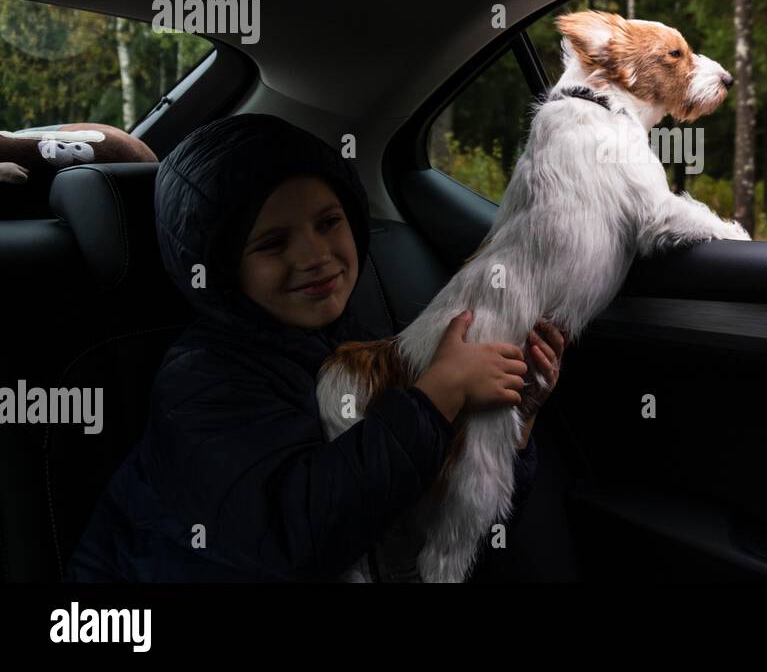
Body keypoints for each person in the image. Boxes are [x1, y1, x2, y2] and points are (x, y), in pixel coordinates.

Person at [65, 112, 565, 582]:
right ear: (220, 268)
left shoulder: (356, 340)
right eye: (272, 243)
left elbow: (446, 520)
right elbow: (297, 538)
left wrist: (508, 425)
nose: (314, 256)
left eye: (328, 222)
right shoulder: (200, 382)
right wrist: (437, 396)